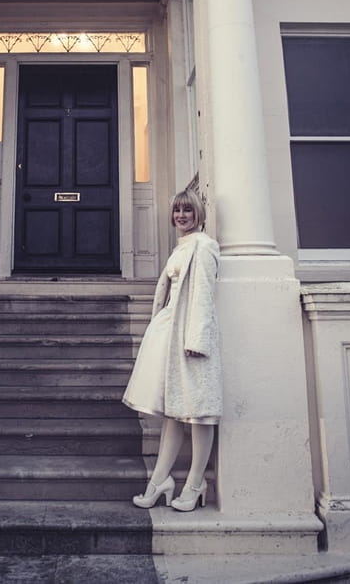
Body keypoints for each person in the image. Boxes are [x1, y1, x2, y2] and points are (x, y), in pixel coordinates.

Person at [123, 188, 221, 512]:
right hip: (170, 332)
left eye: (188, 211)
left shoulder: (204, 246)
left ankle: (195, 484)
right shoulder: (181, 247)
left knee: (199, 413)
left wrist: (197, 341)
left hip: (189, 338)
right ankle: (159, 481)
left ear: (198, 215)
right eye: (177, 211)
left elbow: (204, 295)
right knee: (173, 413)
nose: (181, 216)